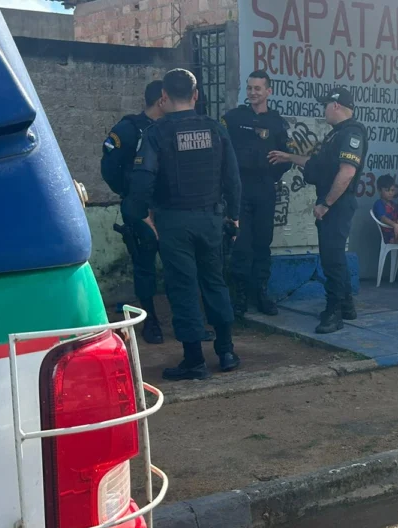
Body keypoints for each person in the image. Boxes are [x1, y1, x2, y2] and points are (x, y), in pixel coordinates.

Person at [124, 69, 242, 381]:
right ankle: (227, 352)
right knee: (215, 282)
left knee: (183, 287)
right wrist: (234, 215)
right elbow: (233, 177)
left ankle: (194, 361)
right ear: (196, 95)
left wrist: (142, 216)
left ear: (163, 97)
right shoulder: (216, 129)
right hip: (211, 218)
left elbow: (142, 180)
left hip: (173, 221)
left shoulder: (156, 133)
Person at [268, 87, 368, 334]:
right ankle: (346, 305)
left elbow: (346, 173)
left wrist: (326, 204)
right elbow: (317, 164)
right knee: (334, 257)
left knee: (331, 260)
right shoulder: (337, 135)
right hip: (334, 201)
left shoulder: (352, 134)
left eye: (325, 105)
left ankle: (334, 312)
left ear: (335, 106)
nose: (323, 110)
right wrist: (289, 157)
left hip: (337, 203)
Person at [221, 70, 292, 318]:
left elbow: (287, 157)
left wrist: (271, 175)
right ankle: (239, 296)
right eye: (250, 88)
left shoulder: (276, 122)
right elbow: (221, 153)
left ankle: (261, 293)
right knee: (241, 244)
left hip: (264, 189)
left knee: (263, 243)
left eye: (257, 88)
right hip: (239, 190)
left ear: (268, 91)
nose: (252, 93)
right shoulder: (232, 118)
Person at [101, 81, 166, 344]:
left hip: (167, 206)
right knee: (144, 265)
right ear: (162, 99)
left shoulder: (170, 128)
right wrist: (128, 194)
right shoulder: (128, 129)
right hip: (138, 207)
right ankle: (150, 320)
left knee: (177, 263)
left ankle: (185, 320)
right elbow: (109, 167)